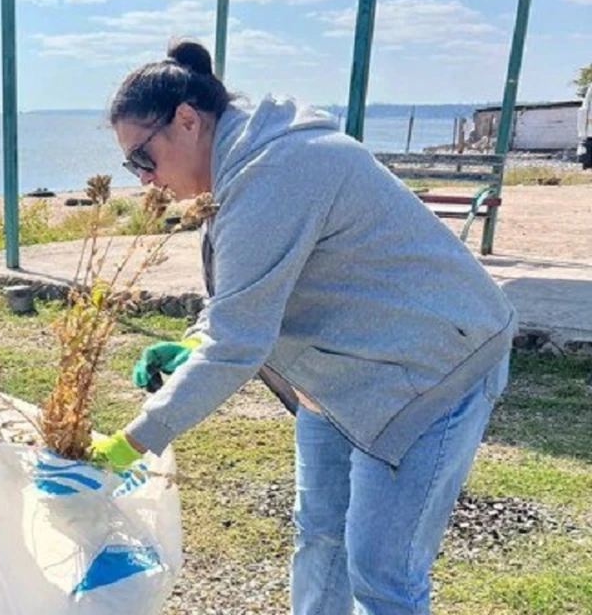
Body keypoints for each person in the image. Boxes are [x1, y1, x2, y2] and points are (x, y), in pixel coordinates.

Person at [89, 40, 516, 615]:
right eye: (132, 167)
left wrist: (134, 441)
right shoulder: (240, 167)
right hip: (343, 374)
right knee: (320, 537)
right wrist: (194, 341)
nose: (144, 180)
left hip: (432, 368)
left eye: (143, 159)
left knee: (381, 573)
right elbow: (246, 296)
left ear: (187, 120)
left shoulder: (274, 172)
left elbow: (238, 343)